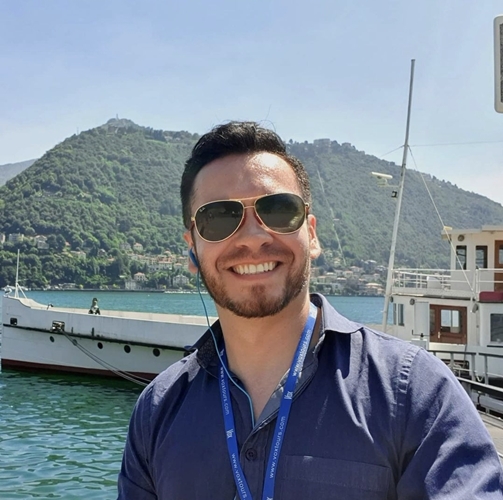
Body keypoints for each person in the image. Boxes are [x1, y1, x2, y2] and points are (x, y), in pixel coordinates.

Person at [118, 121, 503, 499]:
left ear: (312, 234)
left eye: (278, 210)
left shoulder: (415, 394)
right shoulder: (157, 411)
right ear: (192, 249)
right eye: (218, 217)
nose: (253, 237)